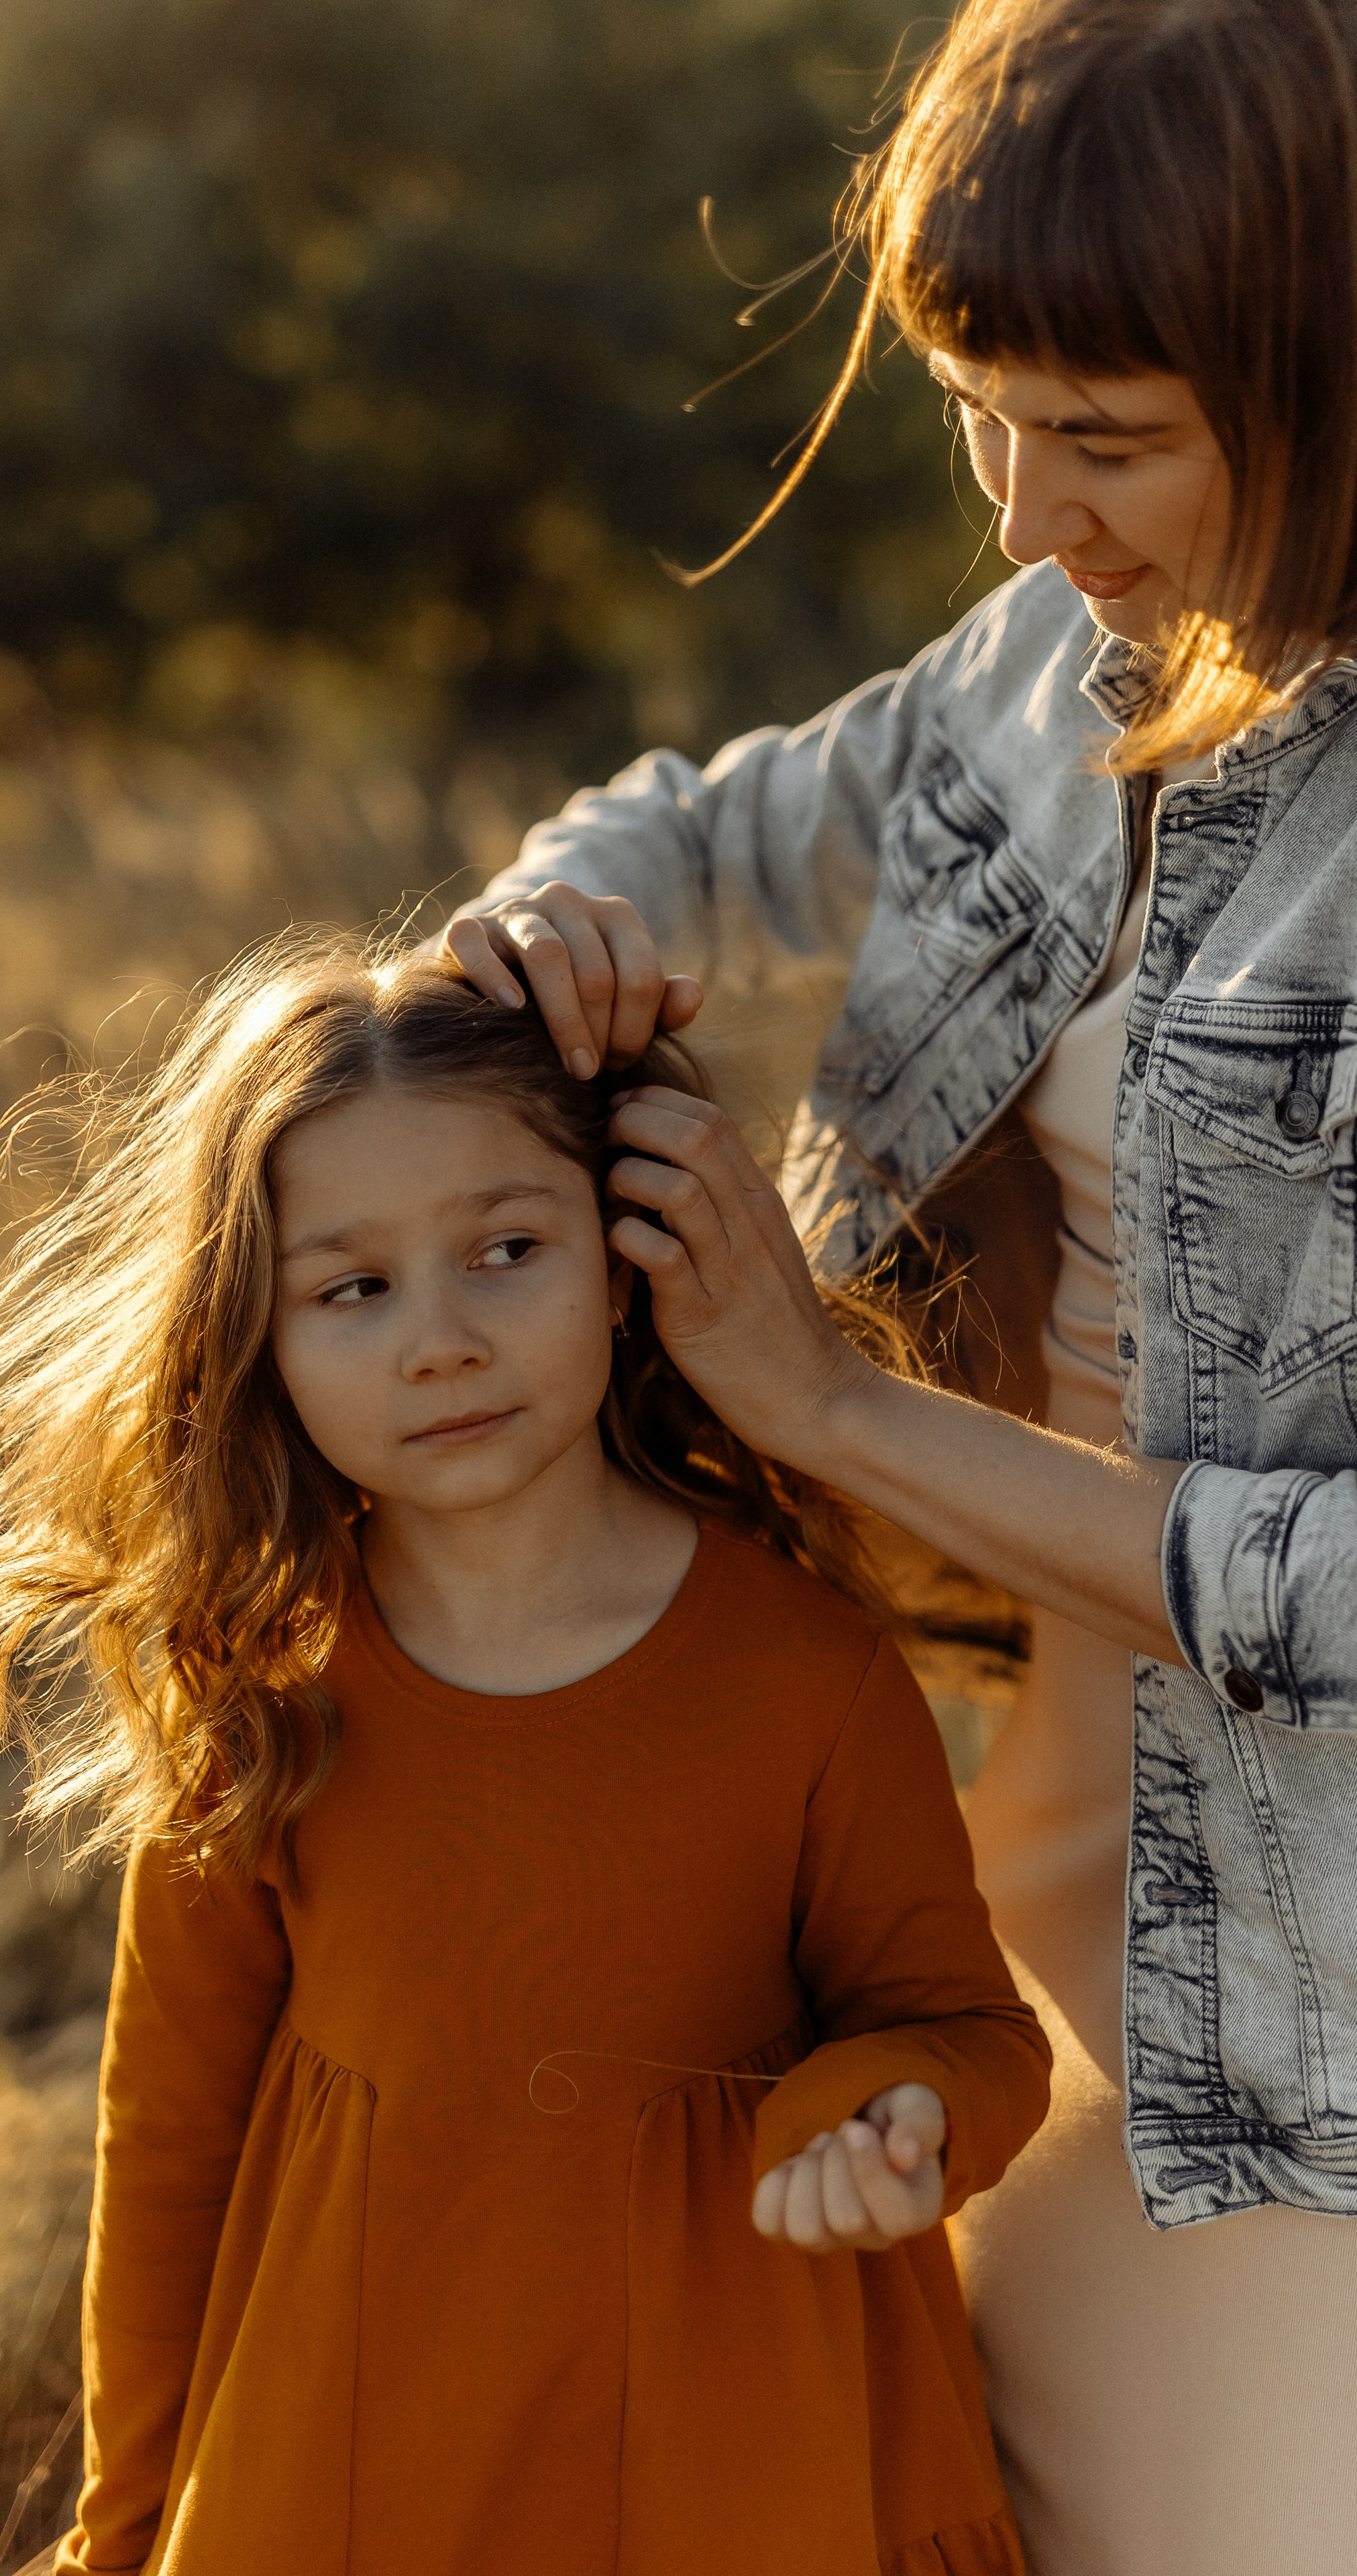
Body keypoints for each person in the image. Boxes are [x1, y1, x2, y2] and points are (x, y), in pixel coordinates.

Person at [444, 1, 1357, 2569]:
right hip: (1017, 1797)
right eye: (978, 402)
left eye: (1109, 430)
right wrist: (543, 947)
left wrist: (825, 1407)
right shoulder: (1063, 651)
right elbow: (708, 830)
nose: (1023, 506)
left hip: (1320, 1960)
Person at [0, 934, 1047, 2573]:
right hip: (363, 2470)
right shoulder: (261, 1702)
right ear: (258, 1334)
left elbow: (959, 2027)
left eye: (504, 1248)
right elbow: (168, 2149)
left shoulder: (802, 1669)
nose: (436, 1340)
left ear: (621, 1250)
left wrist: (889, 2120)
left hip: (745, 2468)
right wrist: (127, 2526)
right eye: (352, 1289)